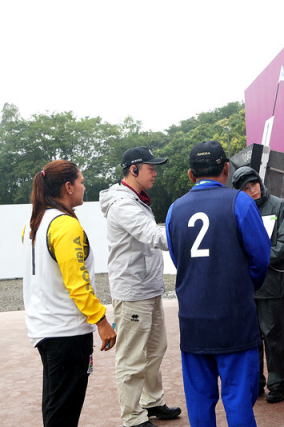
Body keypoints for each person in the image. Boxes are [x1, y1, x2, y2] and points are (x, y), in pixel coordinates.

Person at [165, 140, 271, 426]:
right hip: (235, 319)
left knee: (199, 405)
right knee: (238, 401)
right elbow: (261, 259)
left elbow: (180, 260)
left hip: (193, 322)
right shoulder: (241, 202)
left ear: (190, 175)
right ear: (226, 169)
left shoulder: (174, 210)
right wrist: (241, 286)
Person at [22, 159, 117, 427]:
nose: (84, 187)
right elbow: (77, 281)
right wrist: (101, 321)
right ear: (68, 187)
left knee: (56, 406)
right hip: (67, 333)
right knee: (64, 412)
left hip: (46, 329)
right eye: (81, 181)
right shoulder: (65, 225)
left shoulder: (35, 224)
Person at [99, 147, 181, 427]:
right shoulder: (123, 204)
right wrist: (191, 231)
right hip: (133, 292)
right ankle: (133, 417)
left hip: (148, 288)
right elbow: (152, 235)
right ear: (133, 169)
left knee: (155, 349)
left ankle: (152, 402)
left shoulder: (137, 199)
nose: (155, 173)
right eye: (151, 168)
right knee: (132, 357)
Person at [232, 166, 284, 404]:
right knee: (251, 337)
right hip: (247, 285)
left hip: (272, 282)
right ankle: (255, 383)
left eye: (254, 185)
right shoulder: (237, 209)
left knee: (274, 336)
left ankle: (278, 384)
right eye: (246, 189)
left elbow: (283, 244)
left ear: (260, 182)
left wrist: (255, 259)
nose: (252, 191)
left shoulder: (278, 205)